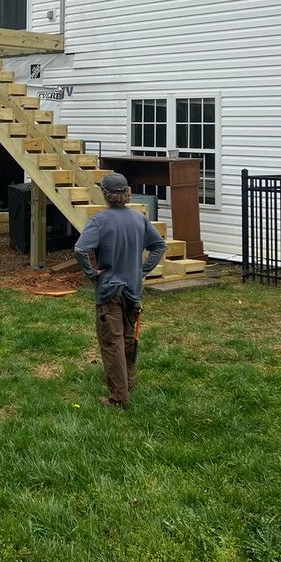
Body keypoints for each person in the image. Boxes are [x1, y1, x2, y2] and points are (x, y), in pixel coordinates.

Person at [74, 172, 166, 409]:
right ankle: (129, 382)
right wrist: (141, 270)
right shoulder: (138, 218)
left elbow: (80, 250)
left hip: (110, 292)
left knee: (112, 342)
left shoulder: (98, 220)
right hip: (133, 291)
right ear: (126, 194)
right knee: (128, 338)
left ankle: (118, 399)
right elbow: (159, 246)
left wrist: (92, 274)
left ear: (105, 194)